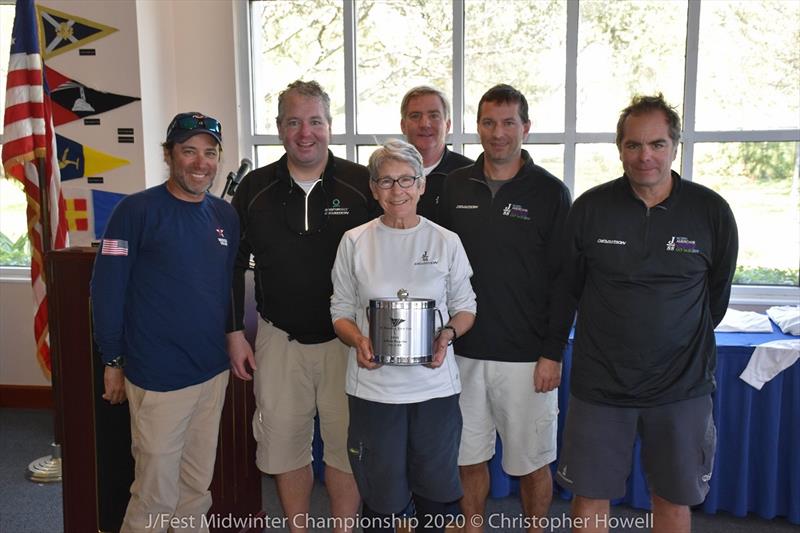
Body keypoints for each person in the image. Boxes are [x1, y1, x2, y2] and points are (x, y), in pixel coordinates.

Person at [552, 94, 738, 533]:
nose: (645, 156)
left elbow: (716, 297)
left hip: (682, 387)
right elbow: (567, 289)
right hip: (601, 386)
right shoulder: (591, 209)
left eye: (656, 144)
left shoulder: (710, 211)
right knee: (588, 499)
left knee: (672, 501)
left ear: (675, 146)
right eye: (633, 145)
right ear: (620, 148)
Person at [226, 80, 376, 533]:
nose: (305, 132)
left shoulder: (360, 185)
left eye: (314, 121)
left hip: (348, 341)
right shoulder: (254, 188)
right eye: (294, 122)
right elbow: (232, 265)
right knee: (283, 445)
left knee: (344, 447)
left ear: (330, 126)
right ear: (279, 128)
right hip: (279, 339)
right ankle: (297, 527)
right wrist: (235, 333)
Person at [91, 112, 239, 532]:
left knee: (195, 489)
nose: (200, 162)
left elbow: (226, 286)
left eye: (209, 153)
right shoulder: (134, 211)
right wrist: (112, 359)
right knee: (155, 494)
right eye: (189, 151)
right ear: (169, 155)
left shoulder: (224, 217)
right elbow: (106, 288)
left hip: (212, 373)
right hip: (157, 377)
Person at [438, 84, 572, 533]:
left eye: (508, 122)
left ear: (526, 128)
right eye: (489, 123)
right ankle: (472, 526)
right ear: (477, 127)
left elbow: (565, 281)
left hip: (527, 358)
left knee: (533, 461)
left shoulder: (551, 192)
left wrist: (552, 352)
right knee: (467, 454)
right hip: (463, 353)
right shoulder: (454, 187)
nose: (498, 133)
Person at [330, 139, 477, 532]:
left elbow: (466, 306)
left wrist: (446, 334)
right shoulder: (355, 241)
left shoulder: (446, 241)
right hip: (375, 393)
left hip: (434, 391)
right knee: (382, 499)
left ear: (422, 184)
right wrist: (357, 340)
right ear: (374, 189)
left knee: (437, 498)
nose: (398, 191)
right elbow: (340, 311)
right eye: (387, 181)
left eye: (407, 180)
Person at [400, 86, 473, 222]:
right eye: (415, 116)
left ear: (448, 125)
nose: (425, 124)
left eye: (434, 115)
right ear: (403, 125)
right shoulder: (383, 176)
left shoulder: (472, 176)